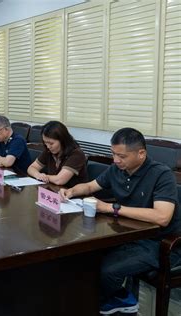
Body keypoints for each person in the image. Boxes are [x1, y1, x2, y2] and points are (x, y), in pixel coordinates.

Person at [59, 127, 181, 315]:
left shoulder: (161, 175)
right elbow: (91, 186)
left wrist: (111, 208)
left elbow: (162, 217)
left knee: (108, 270)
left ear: (141, 153)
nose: (116, 160)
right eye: (113, 154)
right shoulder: (117, 169)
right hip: (128, 234)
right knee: (83, 255)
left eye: (121, 156)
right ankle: (105, 299)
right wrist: (72, 191)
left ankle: (119, 300)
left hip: (159, 242)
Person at [27, 121, 87, 187]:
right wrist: (38, 175)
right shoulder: (49, 150)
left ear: (62, 140)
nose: (48, 146)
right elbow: (31, 168)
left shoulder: (77, 154)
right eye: (45, 142)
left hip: (72, 194)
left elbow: (60, 180)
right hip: (54, 190)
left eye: (51, 143)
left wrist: (44, 177)